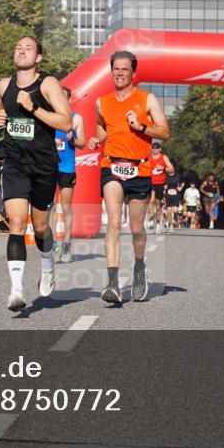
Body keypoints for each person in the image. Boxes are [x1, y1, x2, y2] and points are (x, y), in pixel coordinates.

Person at [0, 37, 73, 311]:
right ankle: (16, 291)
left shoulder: (47, 84)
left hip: (43, 164)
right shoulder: (5, 85)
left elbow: (66, 121)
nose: (21, 50)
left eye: (28, 48)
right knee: (16, 224)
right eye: (18, 46)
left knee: (40, 227)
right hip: (14, 162)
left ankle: (48, 264)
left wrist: (34, 108)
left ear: (38, 58)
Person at [88, 50, 170, 304]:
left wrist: (142, 127)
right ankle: (112, 284)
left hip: (140, 169)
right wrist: (96, 138)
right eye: (116, 69)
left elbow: (165, 132)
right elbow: (103, 128)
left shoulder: (147, 100)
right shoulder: (102, 102)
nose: (120, 73)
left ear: (133, 73)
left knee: (136, 229)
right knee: (113, 223)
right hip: (111, 166)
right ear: (111, 71)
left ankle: (139, 268)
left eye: (125, 69)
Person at [53, 86, 86, 263]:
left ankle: (67, 242)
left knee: (65, 205)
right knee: (48, 206)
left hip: (66, 167)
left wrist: (72, 138)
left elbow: (82, 142)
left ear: (69, 100)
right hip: (49, 166)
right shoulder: (49, 116)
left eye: (63, 97)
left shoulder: (76, 118)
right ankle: (52, 242)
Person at [147, 142, 175, 235]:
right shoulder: (148, 157)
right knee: (150, 200)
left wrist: (163, 168)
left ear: (160, 149)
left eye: (156, 147)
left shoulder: (163, 157)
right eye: (153, 147)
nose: (154, 149)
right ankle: (150, 218)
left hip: (160, 183)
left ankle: (158, 225)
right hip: (150, 182)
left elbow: (171, 170)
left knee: (158, 205)